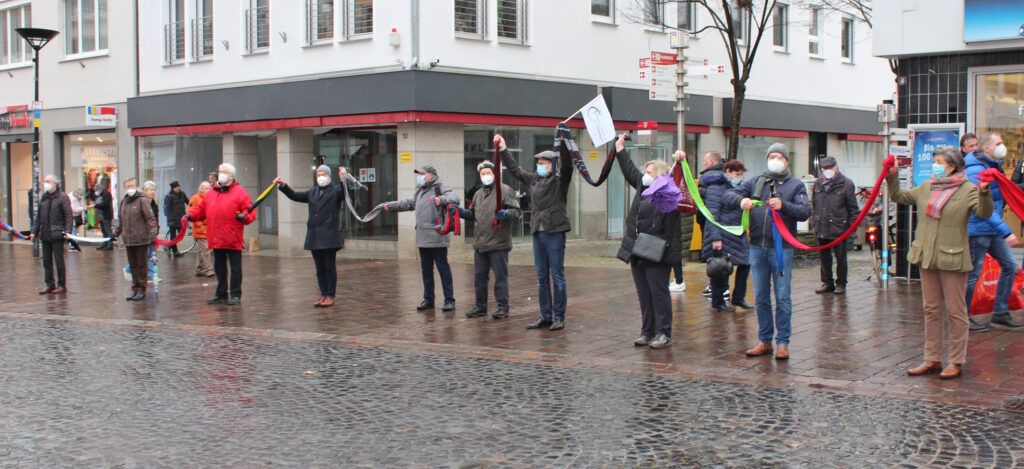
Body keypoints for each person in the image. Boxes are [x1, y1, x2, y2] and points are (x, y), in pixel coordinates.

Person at [889, 146, 993, 379]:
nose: (934, 165)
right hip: (927, 256)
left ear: (952, 166)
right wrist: (892, 176)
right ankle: (932, 358)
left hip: (953, 258)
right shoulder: (927, 186)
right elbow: (899, 197)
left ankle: (956, 360)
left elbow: (984, 213)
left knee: (956, 312)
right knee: (931, 310)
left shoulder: (967, 190)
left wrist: (984, 192)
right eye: (934, 160)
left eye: (939, 161)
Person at [723, 143, 811, 360]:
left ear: (787, 161)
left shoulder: (796, 185)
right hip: (756, 247)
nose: (775, 160)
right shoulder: (756, 182)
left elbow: (805, 212)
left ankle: (782, 342)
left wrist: (784, 206)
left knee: (782, 296)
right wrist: (741, 200)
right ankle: (764, 340)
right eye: (772, 156)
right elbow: (728, 196)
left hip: (782, 249)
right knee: (761, 296)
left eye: (780, 156)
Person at [495, 128, 574, 332]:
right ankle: (545, 315)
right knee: (541, 277)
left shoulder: (559, 180)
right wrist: (504, 149)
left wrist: (563, 141)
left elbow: (568, 165)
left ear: (551, 165)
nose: (539, 166)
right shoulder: (534, 179)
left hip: (554, 230)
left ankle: (559, 316)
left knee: (556, 275)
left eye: (543, 163)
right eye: (538, 163)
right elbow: (515, 170)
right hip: (538, 230)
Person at [614, 136, 683, 349]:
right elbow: (630, 170)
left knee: (658, 293)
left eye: (651, 171)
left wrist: (680, 162)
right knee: (644, 293)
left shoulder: (667, 193)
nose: (646, 174)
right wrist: (619, 150)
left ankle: (663, 332)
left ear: (661, 175)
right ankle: (647, 330)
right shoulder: (641, 189)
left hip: (657, 252)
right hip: (638, 250)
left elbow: (680, 181)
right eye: (646, 170)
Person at [964, 132, 1024, 330]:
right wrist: (1006, 231)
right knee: (973, 274)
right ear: (986, 147)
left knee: (1010, 267)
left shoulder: (992, 166)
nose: (1003, 147)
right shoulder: (975, 170)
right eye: (998, 143)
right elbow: (983, 206)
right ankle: (962, 317)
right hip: (978, 229)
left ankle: (1000, 311)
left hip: (991, 230)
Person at [382, 165, 460, 312]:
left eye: (422, 174)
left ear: (431, 175)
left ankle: (449, 300)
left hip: (437, 237)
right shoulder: (420, 189)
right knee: (426, 271)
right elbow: (410, 203)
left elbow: (455, 198)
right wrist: (390, 206)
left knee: (443, 269)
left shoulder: (440, 186)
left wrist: (440, 199)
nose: (420, 177)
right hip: (422, 237)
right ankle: (428, 299)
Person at [275, 165, 348, 307]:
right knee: (320, 269)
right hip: (314, 237)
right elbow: (295, 196)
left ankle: (330, 295)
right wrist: (283, 185)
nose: (320, 177)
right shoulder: (313, 192)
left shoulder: (335, 191)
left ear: (328, 176)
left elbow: (345, 192)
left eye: (323, 174)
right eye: (318, 174)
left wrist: (343, 178)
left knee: (329, 268)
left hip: (328, 237)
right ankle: (323, 293)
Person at [186, 163, 257, 305]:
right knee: (219, 267)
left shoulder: (240, 192)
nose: (221, 174)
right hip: (216, 236)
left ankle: (235, 294)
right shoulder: (212, 192)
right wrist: (189, 216)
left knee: (235, 267)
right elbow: (201, 210)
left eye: (224, 172)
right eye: (220, 171)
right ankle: (221, 293)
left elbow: (250, 211)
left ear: (232, 176)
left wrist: (244, 217)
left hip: (232, 237)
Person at [458, 160, 522, 319]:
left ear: (495, 174)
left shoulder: (505, 191)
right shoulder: (478, 194)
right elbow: (473, 215)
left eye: (488, 173)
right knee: (479, 277)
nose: (485, 176)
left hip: (498, 243)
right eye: (482, 174)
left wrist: (507, 214)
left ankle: (503, 307)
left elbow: (517, 211)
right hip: (481, 244)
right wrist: (461, 212)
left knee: (500, 277)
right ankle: (480, 306)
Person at [702, 158, 752, 312]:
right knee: (720, 269)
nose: (739, 177)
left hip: (736, 233)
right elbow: (712, 215)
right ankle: (718, 301)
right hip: (722, 235)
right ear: (728, 172)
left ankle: (738, 298)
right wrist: (716, 238)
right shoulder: (716, 188)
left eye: (741, 174)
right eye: (737, 174)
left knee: (745, 263)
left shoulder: (736, 188)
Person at [810, 156, 859, 295]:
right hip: (822, 226)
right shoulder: (818, 183)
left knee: (841, 258)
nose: (827, 171)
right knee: (824, 257)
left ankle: (841, 283)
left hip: (840, 227)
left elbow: (853, 209)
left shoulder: (846, 184)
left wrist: (850, 228)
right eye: (824, 169)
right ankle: (827, 282)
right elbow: (814, 204)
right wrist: (814, 221)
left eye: (830, 168)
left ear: (836, 167)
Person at [114, 178, 158, 301]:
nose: (130, 188)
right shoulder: (124, 201)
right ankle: (135, 288)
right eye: (127, 186)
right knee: (133, 266)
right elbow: (121, 220)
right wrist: (115, 234)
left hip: (141, 238)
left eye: (132, 185)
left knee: (141, 265)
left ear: (136, 186)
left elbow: (150, 218)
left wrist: (152, 232)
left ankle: (142, 289)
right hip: (128, 239)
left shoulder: (142, 200)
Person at [30, 175, 73, 295]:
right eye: (44, 181)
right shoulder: (44, 197)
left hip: (57, 233)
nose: (45, 184)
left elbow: (68, 215)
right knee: (46, 261)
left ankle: (61, 285)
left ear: (55, 184)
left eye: (48, 181)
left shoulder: (62, 197)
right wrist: (34, 231)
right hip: (45, 234)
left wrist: (67, 231)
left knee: (59, 260)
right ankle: (49, 284)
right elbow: (38, 217)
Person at [696, 151, 725, 298]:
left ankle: (717, 287)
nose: (704, 163)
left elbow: (705, 197)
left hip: (709, 220)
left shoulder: (709, 177)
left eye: (706, 160)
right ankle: (718, 286)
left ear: (712, 162)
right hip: (712, 220)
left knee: (714, 255)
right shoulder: (720, 174)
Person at [189, 182, 215, 277]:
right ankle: (208, 269)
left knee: (202, 250)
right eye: (207, 188)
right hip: (200, 230)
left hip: (208, 229)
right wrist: (199, 224)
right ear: (201, 190)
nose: (209, 190)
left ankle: (199, 268)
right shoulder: (195, 198)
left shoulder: (210, 198)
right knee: (206, 249)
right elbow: (190, 212)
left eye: (209, 188)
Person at [163, 181, 189, 257]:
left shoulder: (182, 194)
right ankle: (175, 251)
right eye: (176, 187)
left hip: (181, 219)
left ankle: (168, 247)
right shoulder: (169, 196)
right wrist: (170, 220)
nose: (178, 188)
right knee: (173, 236)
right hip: (173, 220)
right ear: (173, 188)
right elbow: (168, 209)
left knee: (179, 236)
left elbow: (188, 202)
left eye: (178, 187)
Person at [90, 183, 114, 250]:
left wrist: (95, 205)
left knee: (108, 230)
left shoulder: (107, 194)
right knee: (103, 230)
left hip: (106, 215)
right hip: (100, 215)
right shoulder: (97, 195)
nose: (96, 192)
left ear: (100, 189)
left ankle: (110, 244)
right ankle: (105, 243)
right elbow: (93, 198)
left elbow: (105, 204)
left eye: (97, 190)